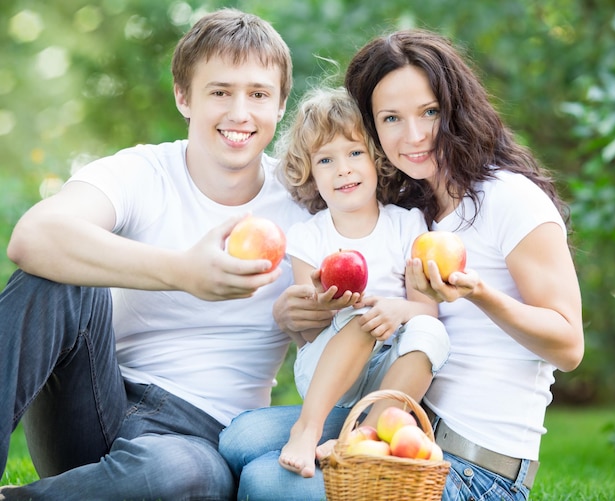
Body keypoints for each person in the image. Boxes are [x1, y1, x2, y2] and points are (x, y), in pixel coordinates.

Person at [219, 28, 584, 501]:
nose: (413, 136)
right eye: (391, 118)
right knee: (240, 440)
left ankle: (348, 448)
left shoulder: (510, 198)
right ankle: (343, 441)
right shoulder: (419, 205)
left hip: (472, 468)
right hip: (404, 417)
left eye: (429, 112)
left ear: (456, 109)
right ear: (372, 130)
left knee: (265, 482)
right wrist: (298, 317)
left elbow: (569, 346)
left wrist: (480, 294)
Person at [0, 8, 310, 501]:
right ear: (183, 97)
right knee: (55, 272)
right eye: (219, 91)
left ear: (279, 105)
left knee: (191, 473)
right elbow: (32, 237)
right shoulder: (145, 172)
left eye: (258, 94)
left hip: (201, 438)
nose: (239, 112)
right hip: (97, 405)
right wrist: (182, 272)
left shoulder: (304, 205)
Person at [272, 86, 449, 478]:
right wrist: (323, 302)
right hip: (326, 373)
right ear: (309, 171)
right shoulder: (308, 237)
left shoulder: (406, 225)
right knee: (361, 318)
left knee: (430, 330)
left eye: (355, 153)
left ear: (376, 159)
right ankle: (307, 428)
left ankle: (362, 439)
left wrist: (397, 310)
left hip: (387, 372)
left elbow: (426, 307)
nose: (343, 169)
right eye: (326, 159)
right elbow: (306, 332)